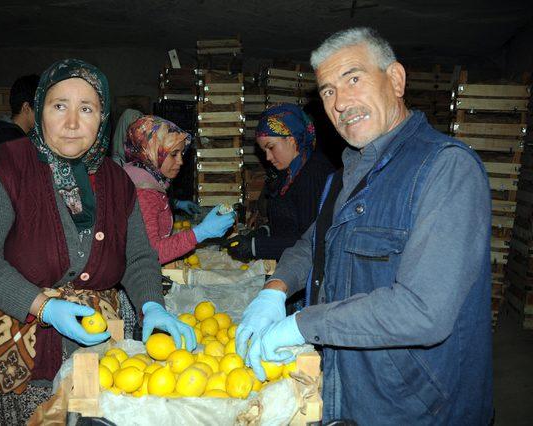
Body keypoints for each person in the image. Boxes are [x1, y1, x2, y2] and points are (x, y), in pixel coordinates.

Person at [236, 27, 493, 424]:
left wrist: (303, 325)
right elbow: (313, 242)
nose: (340, 102)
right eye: (327, 91)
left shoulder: (446, 168)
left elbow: (422, 311)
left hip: (416, 407)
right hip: (349, 387)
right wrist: (275, 289)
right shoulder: (347, 171)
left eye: (353, 79)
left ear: (396, 80)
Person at [0, 59, 195, 424]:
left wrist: (152, 306)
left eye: (86, 109)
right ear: (38, 111)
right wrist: (43, 307)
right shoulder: (5, 166)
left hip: (90, 349)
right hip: (6, 350)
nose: (71, 123)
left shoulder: (117, 181)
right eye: (59, 106)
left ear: (102, 117)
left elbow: (139, 256)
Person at [222, 104, 334, 262]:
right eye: (264, 151)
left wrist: (256, 246)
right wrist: (265, 232)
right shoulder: (289, 173)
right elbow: (289, 223)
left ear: (292, 138)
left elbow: (311, 243)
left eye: (271, 147)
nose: (267, 157)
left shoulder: (314, 174)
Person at [123, 115, 235, 265]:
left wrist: (175, 203)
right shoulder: (143, 193)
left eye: (181, 154)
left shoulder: (144, 178)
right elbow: (150, 255)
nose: (181, 161)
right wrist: (199, 233)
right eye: (173, 154)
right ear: (152, 152)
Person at [0, 74, 40, 154]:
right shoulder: (9, 142)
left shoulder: (1, 132)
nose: (46, 114)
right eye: (41, 108)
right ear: (26, 108)